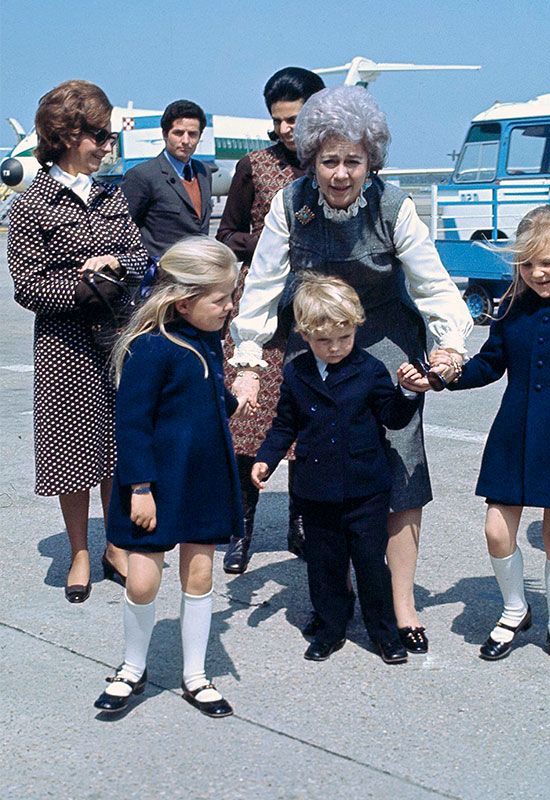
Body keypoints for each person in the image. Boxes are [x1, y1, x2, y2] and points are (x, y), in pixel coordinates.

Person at [230, 86, 473, 652]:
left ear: (372, 161)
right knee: (326, 463)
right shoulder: (290, 205)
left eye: (353, 161)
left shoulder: (395, 206)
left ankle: (402, 602)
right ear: (311, 157)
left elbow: (434, 285)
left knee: (402, 472)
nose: (340, 174)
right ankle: (333, 597)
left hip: (386, 341)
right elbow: (263, 288)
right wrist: (247, 359)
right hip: (316, 337)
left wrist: (449, 345)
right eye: (329, 160)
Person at [400, 205, 550, 671]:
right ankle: (515, 609)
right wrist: (441, 377)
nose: (537, 273)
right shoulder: (511, 307)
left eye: (546, 262)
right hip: (515, 433)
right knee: (496, 528)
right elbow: (490, 366)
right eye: (527, 265)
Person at [7, 80, 148, 602]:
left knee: (118, 443)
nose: (108, 146)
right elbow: (29, 286)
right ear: (68, 135)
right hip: (64, 345)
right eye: (101, 136)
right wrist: (87, 286)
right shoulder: (32, 205)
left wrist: (113, 267)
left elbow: (138, 261)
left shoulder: (113, 196)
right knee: (72, 451)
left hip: (117, 340)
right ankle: (80, 553)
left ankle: (114, 545)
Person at [94, 237, 244, 716]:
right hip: (154, 484)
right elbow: (132, 423)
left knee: (199, 575)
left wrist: (233, 398)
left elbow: (206, 400)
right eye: (221, 298)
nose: (229, 306)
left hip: (203, 479)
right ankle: (132, 667)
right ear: (185, 301)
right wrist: (139, 488)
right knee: (141, 582)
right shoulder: (150, 348)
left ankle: (196, 676)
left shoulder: (210, 339)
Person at [252, 274, 417, 663]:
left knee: (370, 563)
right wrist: (266, 459)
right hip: (316, 487)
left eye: (344, 338)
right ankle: (330, 627)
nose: (336, 348)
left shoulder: (371, 369)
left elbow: (392, 417)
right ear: (305, 336)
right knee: (324, 563)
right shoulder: (296, 372)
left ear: (355, 328)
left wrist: (408, 391)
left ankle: (384, 631)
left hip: (365, 488)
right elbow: (285, 424)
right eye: (324, 341)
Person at [217, 67, 325, 574]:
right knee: (246, 429)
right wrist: (268, 243)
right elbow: (228, 234)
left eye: (295, 119)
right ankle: (241, 532)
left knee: (308, 429)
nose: (286, 130)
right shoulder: (254, 166)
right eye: (278, 120)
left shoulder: (334, 164)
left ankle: (300, 524)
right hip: (263, 317)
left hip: (319, 316)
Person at [122, 100, 212, 257]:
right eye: (178, 133)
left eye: (192, 134)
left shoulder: (204, 172)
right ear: (164, 134)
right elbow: (124, 230)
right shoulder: (143, 175)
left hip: (198, 270)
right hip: (162, 275)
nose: (186, 141)